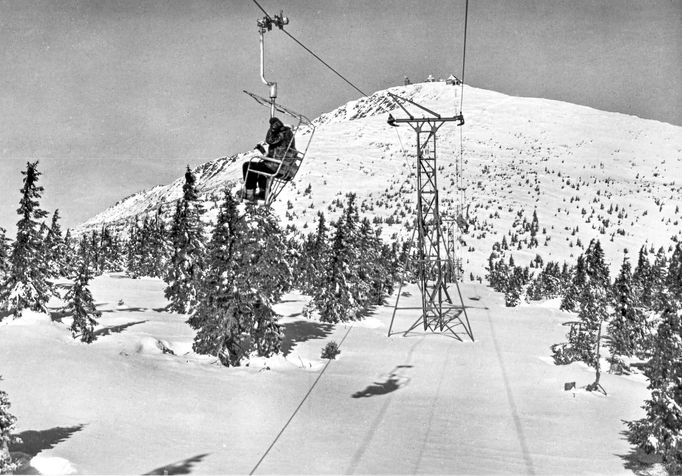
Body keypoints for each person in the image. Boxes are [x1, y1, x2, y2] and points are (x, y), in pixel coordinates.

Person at [242, 117, 297, 201]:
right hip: (287, 170)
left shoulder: (282, 134)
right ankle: (263, 193)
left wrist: (272, 129)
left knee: (248, 165)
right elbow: (279, 153)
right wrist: (263, 151)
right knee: (262, 168)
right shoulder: (289, 136)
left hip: (276, 167)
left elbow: (269, 140)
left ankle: (249, 194)